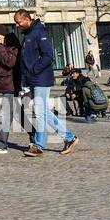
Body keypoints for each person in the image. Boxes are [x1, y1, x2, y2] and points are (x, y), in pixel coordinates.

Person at [16, 10, 77, 158]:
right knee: (42, 111)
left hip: (41, 78)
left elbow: (48, 55)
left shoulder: (39, 32)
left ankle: (39, 145)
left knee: (39, 111)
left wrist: (34, 70)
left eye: (18, 22)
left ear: (26, 19)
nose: (17, 25)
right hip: (33, 79)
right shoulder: (28, 34)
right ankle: (69, 138)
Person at [0, 31, 21, 154]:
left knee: (6, 115)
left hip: (11, 85)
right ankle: (35, 137)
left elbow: (9, 62)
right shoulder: (3, 47)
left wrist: (0, 46)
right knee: (18, 114)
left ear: (2, 36)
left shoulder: (11, 47)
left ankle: (1, 144)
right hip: (6, 85)